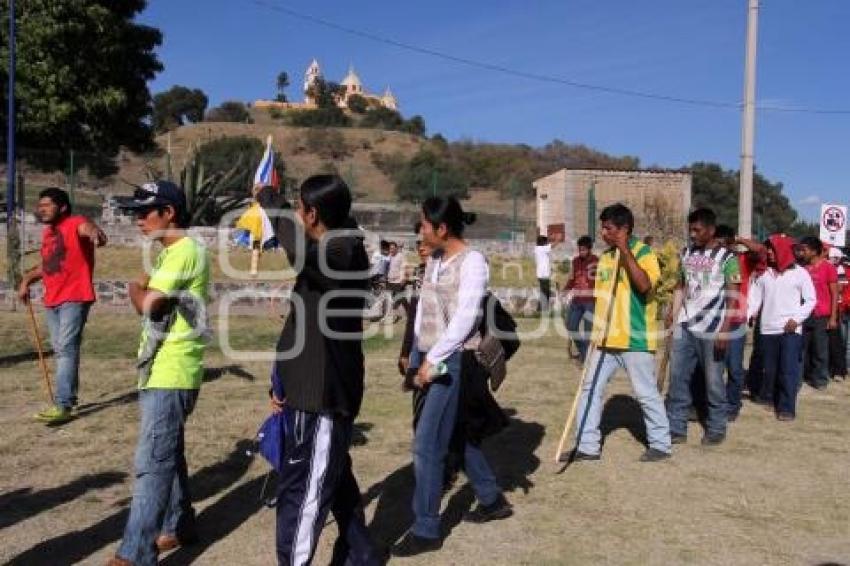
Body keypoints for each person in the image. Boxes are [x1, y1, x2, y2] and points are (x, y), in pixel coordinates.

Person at [269, 175, 380, 566]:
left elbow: (299, 251)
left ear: (312, 213)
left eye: (299, 208)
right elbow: (301, 322)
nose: (296, 215)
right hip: (308, 389)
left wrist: (269, 200)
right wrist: (280, 376)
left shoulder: (342, 253)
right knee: (334, 481)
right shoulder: (329, 250)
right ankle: (361, 555)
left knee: (304, 495)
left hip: (323, 397)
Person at [393, 196, 511, 557]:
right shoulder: (435, 260)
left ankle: (427, 528)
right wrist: (413, 354)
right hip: (430, 358)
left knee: (427, 446)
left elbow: (465, 318)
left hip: (454, 363)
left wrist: (433, 360)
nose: (421, 231)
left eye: (425, 225)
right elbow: (424, 310)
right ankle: (491, 500)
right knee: (457, 435)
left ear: (442, 229)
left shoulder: (473, 262)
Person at [108, 181, 210, 566]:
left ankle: (135, 553)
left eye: (145, 212)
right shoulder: (173, 253)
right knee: (169, 453)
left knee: (153, 463)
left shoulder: (184, 251)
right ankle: (180, 523)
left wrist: (135, 287)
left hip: (172, 369)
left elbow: (148, 304)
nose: (138, 220)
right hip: (165, 369)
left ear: (169, 213)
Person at [571, 203, 672, 462]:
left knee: (645, 393)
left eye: (608, 229)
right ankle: (587, 446)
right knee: (589, 389)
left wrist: (626, 249)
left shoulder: (645, 253)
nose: (603, 233)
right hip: (604, 340)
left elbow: (643, 285)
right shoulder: (605, 257)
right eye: (602, 228)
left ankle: (661, 444)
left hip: (635, 339)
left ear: (624, 230)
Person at [18, 187, 107, 425]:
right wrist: (27, 280)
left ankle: (63, 404)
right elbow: (48, 265)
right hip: (52, 300)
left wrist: (95, 233)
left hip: (75, 297)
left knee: (66, 349)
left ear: (63, 207)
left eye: (47, 204)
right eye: (40, 205)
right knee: (62, 350)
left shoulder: (76, 222)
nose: (41, 209)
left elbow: (88, 228)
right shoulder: (49, 233)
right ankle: (68, 400)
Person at [666, 208, 740, 446]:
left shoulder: (728, 258)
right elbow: (680, 286)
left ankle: (716, 427)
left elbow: (733, 294)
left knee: (714, 381)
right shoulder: (686, 253)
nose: (692, 233)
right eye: (691, 228)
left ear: (711, 230)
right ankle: (676, 427)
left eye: (697, 229)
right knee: (677, 378)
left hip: (713, 328)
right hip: (685, 326)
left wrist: (726, 328)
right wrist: (673, 313)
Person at [747, 235, 816, 420]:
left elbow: (810, 300)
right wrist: (750, 314)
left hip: (790, 330)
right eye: (768, 248)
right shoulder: (763, 273)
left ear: (783, 250)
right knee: (770, 369)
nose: (768, 252)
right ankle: (770, 398)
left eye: (772, 248)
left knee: (788, 369)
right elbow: (755, 297)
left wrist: (797, 319)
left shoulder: (800, 273)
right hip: (768, 328)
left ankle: (787, 408)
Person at [714, 225, 761, 421]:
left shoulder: (743, 260)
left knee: (734, 367)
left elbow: (760, 251)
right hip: (713, 320)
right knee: (714, 367)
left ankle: (732, 405)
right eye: (718, 244)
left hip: (735, 322)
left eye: (725, 244)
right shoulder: (712, 260)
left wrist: (740, 239)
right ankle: (715, 403)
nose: (721, 248)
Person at [797, 236, 839, 390]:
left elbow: (834, 293)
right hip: (803, 314)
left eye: (805, 249)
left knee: (820, 349)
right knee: (801, 349)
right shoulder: (801, 268)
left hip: (822, 315)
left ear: (814, 251)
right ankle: (799, 378)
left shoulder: (828, 268)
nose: (802, 252)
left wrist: (833, 317)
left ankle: (820, 379)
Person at [563, 235, 598, 362]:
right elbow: (572, 279)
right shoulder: (575, 261)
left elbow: (601, 280)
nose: (581, 252)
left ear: (589, 249)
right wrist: (565, 290)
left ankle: (587, 357)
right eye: (579, 249)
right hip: (576, 301)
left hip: (590, 302)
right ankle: (585, 353)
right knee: (571, 327)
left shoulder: (596, 261)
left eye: (583, 249)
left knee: (589, 332)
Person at [534, 235, 553, 312]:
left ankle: (541, 309)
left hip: (542, 274)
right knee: (546, 292)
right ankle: (541, 309)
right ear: (543, 242)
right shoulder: (541, 248)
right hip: (543, 275)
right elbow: (552, 246)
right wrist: (558, 239)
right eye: (546, 242)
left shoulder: (538, 249)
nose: (547, 243)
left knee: (544, 291)